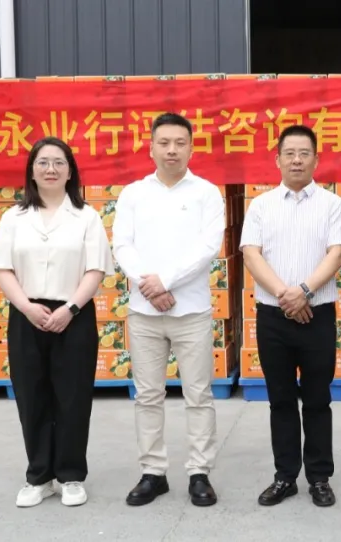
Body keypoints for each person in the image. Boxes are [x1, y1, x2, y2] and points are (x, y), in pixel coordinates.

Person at [0, 136, 115, 508]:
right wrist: (27, 307)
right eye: (43, 162)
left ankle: (71, 475)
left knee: (73, 396)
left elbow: (95, 269)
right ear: (31, 171)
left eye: (59, 162)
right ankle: (39, 476)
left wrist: (70, 309)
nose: (51, 169)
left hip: (73, 314)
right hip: (26, 314)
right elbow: (3, 269)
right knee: (32, 396)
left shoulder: (86, 216)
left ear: (70, 171)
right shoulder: (14, 218)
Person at [112, 113, 226, 508]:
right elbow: (122, 245)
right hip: (144, 312)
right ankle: (153, 472)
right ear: (151, 147)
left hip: (191, 311)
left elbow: (208, 247)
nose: (172, 150)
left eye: (180, 142)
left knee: (198, 395)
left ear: (191, 147)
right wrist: (150, 285)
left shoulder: (206, 193)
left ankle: (199, 472)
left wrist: (166, 281)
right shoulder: (133, 194)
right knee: (147, 395)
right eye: (164, 143)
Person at [240, 125, 341, 508]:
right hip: (273, 317)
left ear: (316, 160)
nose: (296, 160)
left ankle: (319, 477)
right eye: (289, 153)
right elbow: (251, 254)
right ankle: (285, 476)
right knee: (281, 399)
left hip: (317, 315)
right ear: (277, 159)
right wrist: (285, 295)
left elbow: (337, 253)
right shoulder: (261, 205)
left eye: (304, 153)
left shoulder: (331, 204)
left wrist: (304, 291)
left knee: (318, 399)